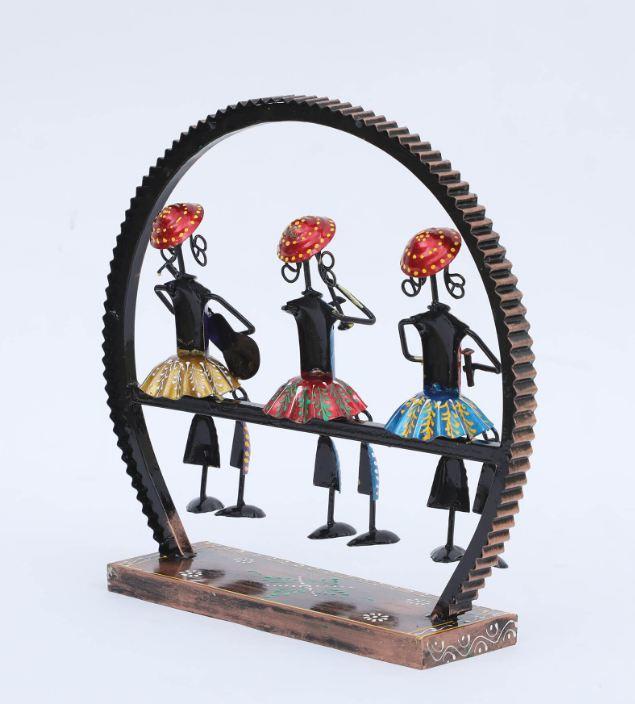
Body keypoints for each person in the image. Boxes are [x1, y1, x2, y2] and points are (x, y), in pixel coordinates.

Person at [264, 215, 398, 546]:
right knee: (326, 432)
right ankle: (331, 510)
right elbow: (366, 317)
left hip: (321, 381)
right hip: (313, 381)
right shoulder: (309, 305)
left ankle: (335, 511)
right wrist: (333, 287)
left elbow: (366, 318)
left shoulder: (320, 305)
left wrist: (333, 288)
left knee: (336, 432)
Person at [140, 203, 263, 517]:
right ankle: (211, 486)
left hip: (184, 360)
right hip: (194, 362)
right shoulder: (196, 290)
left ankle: (209, 486)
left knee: (208, 408)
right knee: (212, 406)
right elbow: (244, 324)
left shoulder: (171, 288)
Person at [385, 227, 501, 561]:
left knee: (460, 449)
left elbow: (409, 354)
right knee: (462, 446)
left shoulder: (415, 322)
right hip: (448, 399)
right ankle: (464, 532)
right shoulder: (457, 326)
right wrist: (468, 363)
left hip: (431, 397)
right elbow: (495, 364)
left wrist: (442, 360)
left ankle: (464, 532)